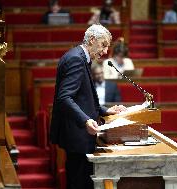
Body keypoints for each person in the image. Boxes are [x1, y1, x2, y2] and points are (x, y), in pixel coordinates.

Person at [49, 24, 126, 189]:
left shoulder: (80, 56)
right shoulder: (76, 59)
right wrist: (85, 121)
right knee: (79, 183)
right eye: (103, 45)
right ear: (92, 40)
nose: (105, 52)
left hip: (79, 136)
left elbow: (82, 98)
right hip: (78, 136)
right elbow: (65, 97)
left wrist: (105, 110)